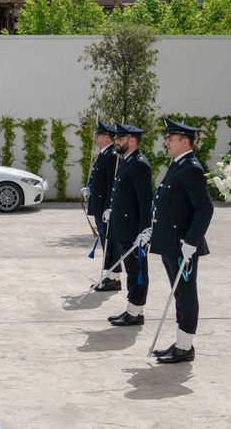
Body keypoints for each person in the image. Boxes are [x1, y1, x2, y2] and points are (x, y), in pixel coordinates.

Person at [148, 118, 214, 363]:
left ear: (184, 141)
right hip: (169, 242)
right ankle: (181, 342)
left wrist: (191, 242)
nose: (165, 142)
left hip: (182, 245)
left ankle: (185, 348)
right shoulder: (177, 165)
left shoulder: (191, 169)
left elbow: (204, 209)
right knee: (179, 294)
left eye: (170, 138)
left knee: (186, 293)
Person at [104, 122, 153, 326]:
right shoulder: (126, 160)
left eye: (121, 139)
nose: (117, 142)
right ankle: (131, 309)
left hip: (134, 230)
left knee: (137, 271)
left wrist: (145, 229)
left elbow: (144, 200)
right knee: (131, 270)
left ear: (132, 141)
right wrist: (112, 210)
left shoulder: (139, 164)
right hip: (123, 227)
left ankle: (135, 312)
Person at [82, 121, 122, 291]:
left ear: (107, 137)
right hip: (99, 204)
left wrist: (109, 207)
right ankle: (109, 275)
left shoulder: (112, 155)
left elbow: (112, 185)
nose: (95, 137)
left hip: (105, 207)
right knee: (106, 242)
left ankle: (114, 278)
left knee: (111, 242)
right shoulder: (104, 153)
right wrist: (89, 188)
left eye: (97, 135)